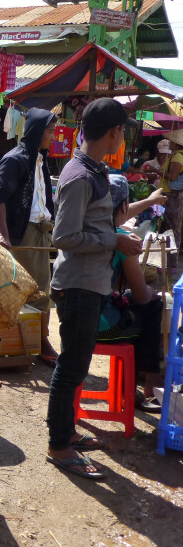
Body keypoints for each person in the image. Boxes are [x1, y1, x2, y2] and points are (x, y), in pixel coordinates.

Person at [47, 98, 143, 481]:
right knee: (70, 367)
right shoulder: (79, 176)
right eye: (123, 130)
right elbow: (65, 236)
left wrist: (114, 234)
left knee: (77, 365)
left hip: (90, 283)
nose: (124, 136)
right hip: (77, 285)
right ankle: (59, 445)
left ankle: (67, 432)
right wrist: (114, 240)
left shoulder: (93, 169)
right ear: (115, 132)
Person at [0, 108, 58, 366]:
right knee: (27, 291)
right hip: (23, 234)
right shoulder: (15, 160)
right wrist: (4, 236)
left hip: (41, 232)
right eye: (50, 131)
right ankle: (34, 342)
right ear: (37, 131)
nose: (53, 136)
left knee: (42, 290)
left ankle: (39, 339)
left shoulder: (39, 159)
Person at [98, 175, 166, 412]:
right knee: (151, 307)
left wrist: (149, 201)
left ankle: (134, 385)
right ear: (124, 207)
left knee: (132, 302)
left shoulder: (92, 229)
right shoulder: (122, 240)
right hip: (102, 327)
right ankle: (151, 384)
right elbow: (141, 296)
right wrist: (152, 293)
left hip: (77, 319)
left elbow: (120, 213)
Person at [156, 138, 183, 268]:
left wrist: (156, 171)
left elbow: (172, 177)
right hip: (169, 195)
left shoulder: (177, 156)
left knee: (172, 230)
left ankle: (172, 263)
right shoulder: (175, 155)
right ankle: (166, 261)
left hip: (172, 197)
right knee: (168, 229)